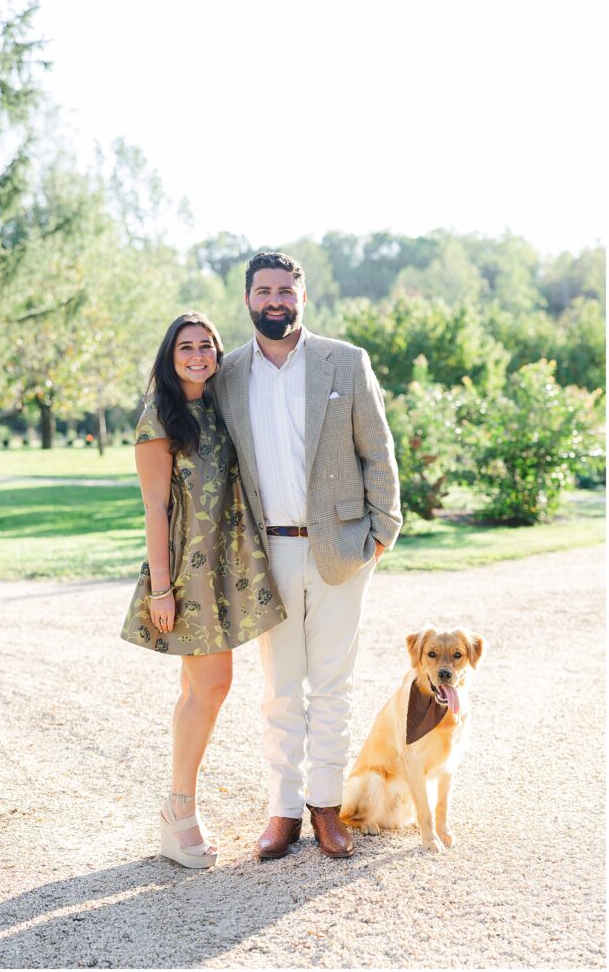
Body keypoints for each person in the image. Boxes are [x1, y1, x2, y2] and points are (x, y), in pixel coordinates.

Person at [213, 252, 402, 860]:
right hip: (267, 553)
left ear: (302, 296)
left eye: (285, 290)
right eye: (264, 290)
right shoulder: (228, 374)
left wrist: (382, 532)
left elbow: (378, 449)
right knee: (279, 689)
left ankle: (326, 807)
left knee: (332, 685)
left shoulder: (345, 361)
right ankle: (282, 811)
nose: (275, 300)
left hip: (343, 550)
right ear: (248, 299)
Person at [121, 312, 286, 869]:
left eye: (206, 346)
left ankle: (178, 809)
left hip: (225, 565)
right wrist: (161, 589)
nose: (197, 355)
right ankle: (179, 810)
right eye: (185, 347)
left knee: (203, 689)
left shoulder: (217, 409)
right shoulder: (159, 419)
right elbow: (153, 509)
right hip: (186, 574)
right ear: (170, 358)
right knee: (211, 685)